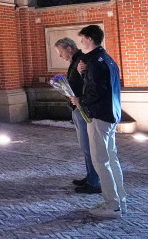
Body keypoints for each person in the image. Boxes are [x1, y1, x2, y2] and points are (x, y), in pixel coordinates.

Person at [70, 25, 127, 219]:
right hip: (111, 114)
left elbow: (96, 91)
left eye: (82, 39)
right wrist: (83, 73)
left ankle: (112, 205)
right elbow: (103, 85)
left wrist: (80, 101)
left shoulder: (95, 62)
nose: (81, 43)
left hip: (99, 116)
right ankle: (120, 200)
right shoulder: (106, 59)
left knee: (100, 161)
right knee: (111, 159)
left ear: (90, 39)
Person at [53, 38, 100, 194]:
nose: (60, 56)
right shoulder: (76, 61)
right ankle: (90, 177)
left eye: (61, 52)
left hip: (82, 108)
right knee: (85, 147)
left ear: (69, 48)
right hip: (77, 107)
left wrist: (80, 76)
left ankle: (94, 182)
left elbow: (90, 84)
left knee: (88, 146)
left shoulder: (82, 61)